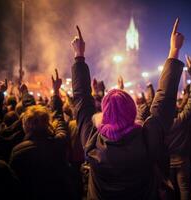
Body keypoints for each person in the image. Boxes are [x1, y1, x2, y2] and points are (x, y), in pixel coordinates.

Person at [71, 19, 184, 199]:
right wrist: (174, 51)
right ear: (132, 111)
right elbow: (164, 100)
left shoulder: (92, 141)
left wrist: (79, 56)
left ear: (104, 113)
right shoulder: (146, 140)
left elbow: (81, 101)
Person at [9, 69, 81, 200]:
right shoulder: (58, 143)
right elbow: (59, 117)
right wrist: (56, 91)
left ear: (25, 125)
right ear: (48, 123)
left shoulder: (17, 152)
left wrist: (24, 95)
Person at [166, 55, 191, 200]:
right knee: (185, 188)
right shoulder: (181, 120)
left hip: (166, 162)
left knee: (169, 190)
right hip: (183, 160)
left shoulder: (157, 124)